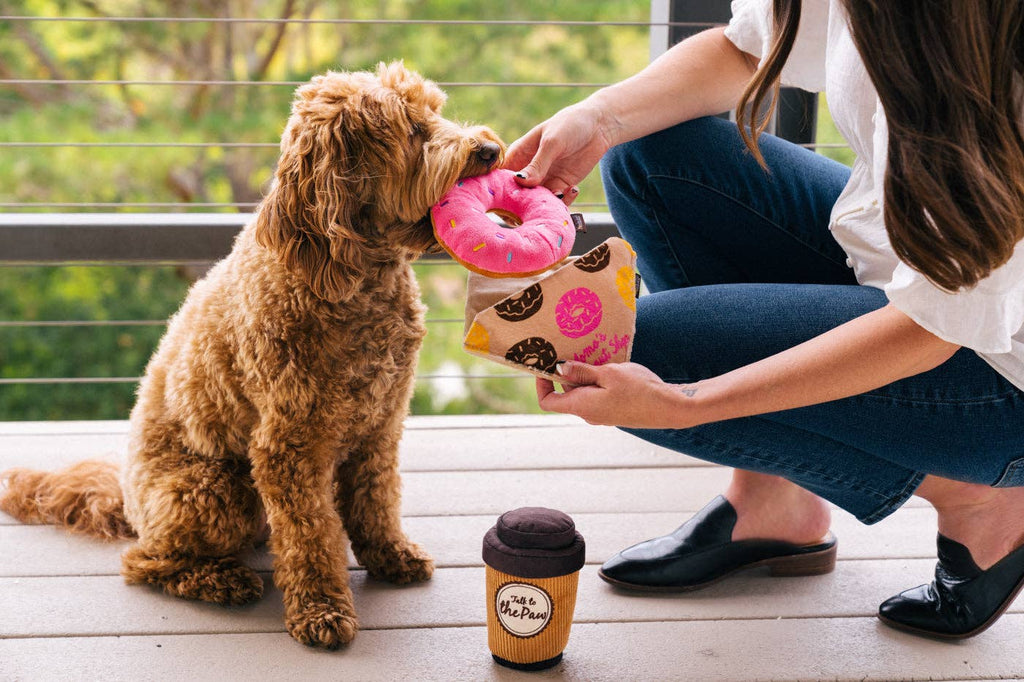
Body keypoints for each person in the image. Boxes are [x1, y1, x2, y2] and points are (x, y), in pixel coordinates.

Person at [503, 0, 1024, 640]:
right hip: (907, 254)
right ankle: (772, 503)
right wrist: (597, 117)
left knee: (645, 351)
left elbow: (931, 328)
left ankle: (980, 494)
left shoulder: (999, 74)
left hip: (995, 363)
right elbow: (747, 48)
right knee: (651, 155)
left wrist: (693, 402)